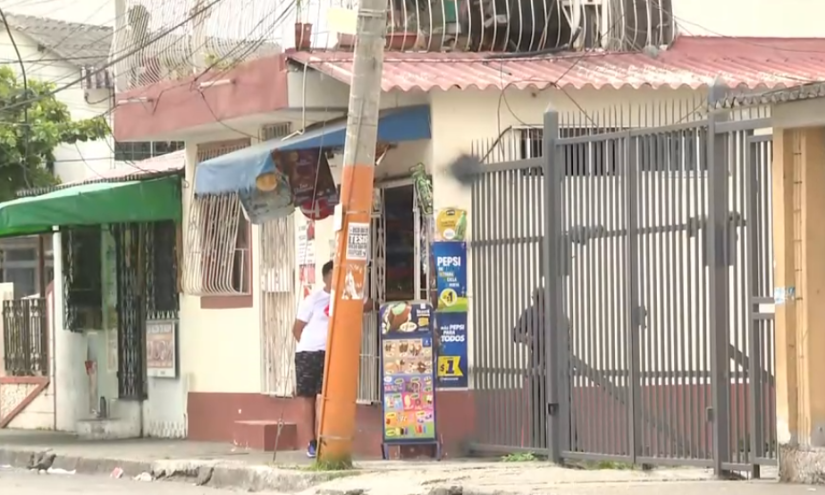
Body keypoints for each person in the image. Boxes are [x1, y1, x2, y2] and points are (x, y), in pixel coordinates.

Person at [292, 259, 374, 458]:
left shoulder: (348, 295)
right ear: (327, 276)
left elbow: (370, 305)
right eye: (336, 274)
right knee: (308, 398)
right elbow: (297, 329)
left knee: (326, 397)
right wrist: (313, 344)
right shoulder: (313, 300)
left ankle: (325, 439)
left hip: (333, 354)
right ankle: (311, 442)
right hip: (308, 354)